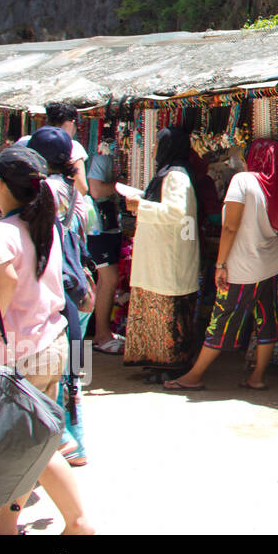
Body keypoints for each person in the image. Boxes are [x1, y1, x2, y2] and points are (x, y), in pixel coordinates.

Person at [0, 145, 95, 535]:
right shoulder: (43, 224)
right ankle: (9, 519)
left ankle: (77, 521)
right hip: (50, 343)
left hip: (20, 351)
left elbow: (5, 284)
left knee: (27, 442)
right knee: (31, 442)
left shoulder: (1, 234)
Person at [164, 139, 278, 392]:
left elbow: (230, 226)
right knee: (266, 318)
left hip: (243, 265)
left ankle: (194, 375)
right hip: (270, 262)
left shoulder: (243, 181)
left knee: (223, 317)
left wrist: (220, 264)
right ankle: (257, 377)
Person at [27, 127, 95, 467]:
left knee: (57, 373)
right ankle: (77, 440)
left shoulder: (43, 194)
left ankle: (62, 442)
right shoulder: (74, 192)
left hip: (60, 292)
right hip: (81, 287)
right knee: (76, 371)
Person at [123, 128, 203, 381]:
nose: (155, 149)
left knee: (169, 309)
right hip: (157, 255)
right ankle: (156, 362)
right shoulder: (167, 173)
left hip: (169, 256)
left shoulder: (176, 176)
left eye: (159, 143)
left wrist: (141, 205)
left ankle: (172, 365)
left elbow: (176, 213)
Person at [86, 142, 124, 353]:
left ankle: (102, 332)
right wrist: (123, 184)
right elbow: (97, 190)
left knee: (106, 280)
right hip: (97, 227)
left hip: (105, 226)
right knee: (109, 279)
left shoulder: (108, 155)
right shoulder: (102, 156)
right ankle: (101, 335)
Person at [16, 103, 88, 199]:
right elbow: (82, 189)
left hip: (25, 203)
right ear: (72, 122)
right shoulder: (74, 147)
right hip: (57, 207)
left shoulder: (23, 142)